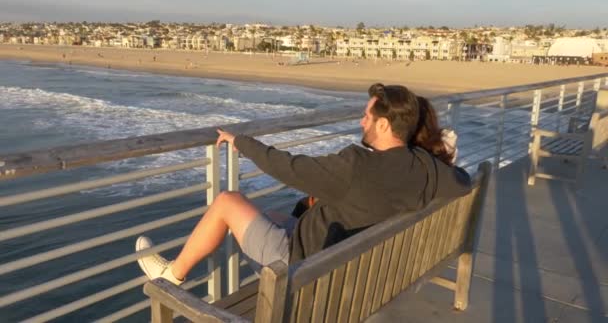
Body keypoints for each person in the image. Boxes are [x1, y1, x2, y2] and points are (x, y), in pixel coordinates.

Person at [135, 83, 471, 285]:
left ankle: (172, 276)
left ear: (383, 125)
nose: (360, 120)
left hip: (306, 275)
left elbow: (290, 168)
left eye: (366, 116)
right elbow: (463, 183)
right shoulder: (426, 166)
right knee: (275, 217)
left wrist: (241, 142)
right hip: (363, 275)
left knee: (226, 202)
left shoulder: (357, 165)